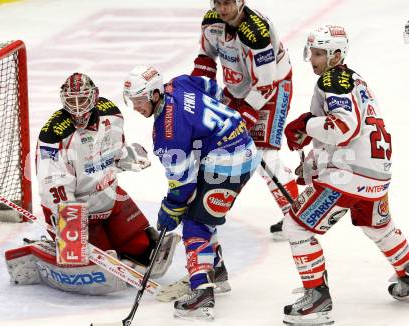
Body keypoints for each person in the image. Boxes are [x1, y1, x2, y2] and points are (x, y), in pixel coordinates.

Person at [5, 72, 180, 296]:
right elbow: (52, 184)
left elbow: (114, 151)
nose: (77, 108)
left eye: (82, 100)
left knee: (143, 249)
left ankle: (119, 245)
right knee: (100, 257)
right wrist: (68, 221)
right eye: (71, 101)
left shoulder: (112, 114)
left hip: (108, 196)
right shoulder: (53, 134)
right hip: (74, 208)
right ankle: (52, 246)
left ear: (94, 97)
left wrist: (126, 157)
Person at [282, 25, 409, 325]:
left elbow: (343, 128)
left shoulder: (332, 79)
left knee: (295, 226)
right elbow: (352, 134)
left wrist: (306, 125)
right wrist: (313, 165)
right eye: (311, 52)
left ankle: (317, 299)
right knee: (380, 228)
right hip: (375, 175)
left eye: (319, 53)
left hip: (348, 178)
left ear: (337, 54)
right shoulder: (355, 80)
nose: (312, 58)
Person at [123, 66, 260, 320]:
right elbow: (213, 90)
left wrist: (169, 208)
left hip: (228, 162)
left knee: (194, 222)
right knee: (202, 211)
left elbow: (183, 184)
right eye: (132, 101)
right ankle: (215, 271)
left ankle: (202, 293)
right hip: (238, 147)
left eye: (139, 101)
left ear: (154, 94)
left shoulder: (167, 132)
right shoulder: (179, 83)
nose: (135, 107)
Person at [190, 0, 299, 239]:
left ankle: (296, 216)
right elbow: (205, 59)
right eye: (218, 2)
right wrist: (197, 92)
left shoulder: (256, 30)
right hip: (237, 88)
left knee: (262, 152)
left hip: (272, 88)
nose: (222, 8)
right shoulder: (211, 23)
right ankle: (209, 207)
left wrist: (246, 117)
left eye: (227, 2)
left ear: (240, 2)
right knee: (219, 147)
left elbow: (266, 81)